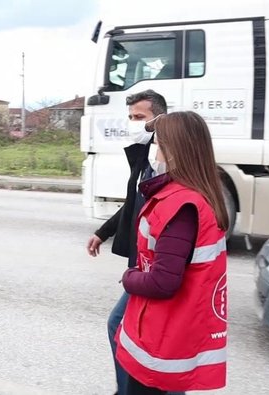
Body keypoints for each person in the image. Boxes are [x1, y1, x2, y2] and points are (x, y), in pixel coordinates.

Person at [115, 111, 228, 394]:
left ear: (174, 149)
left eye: (160, 143)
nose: (156, 150)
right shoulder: (191, 195)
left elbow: (163, 282)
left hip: (160, 336)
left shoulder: (180, 206)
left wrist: (129, 277)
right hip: (166, 329)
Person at [85, 90, 177, 395]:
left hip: (155, 269)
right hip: (143, 264)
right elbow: (134, 202)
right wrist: (103, 231)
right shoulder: (145, 156)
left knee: (121, 326)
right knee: (135, 333)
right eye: (131, 118)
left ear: (159, 119)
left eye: (140, 118)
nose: (133, 124)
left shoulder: (167, 159)